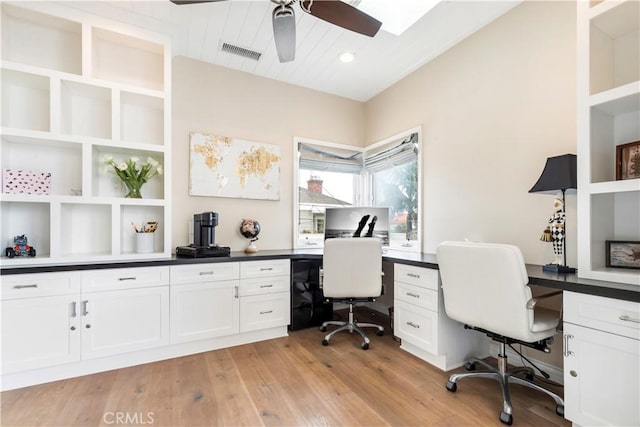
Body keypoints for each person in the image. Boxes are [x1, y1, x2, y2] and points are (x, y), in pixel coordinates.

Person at [541, 197, 565, 265]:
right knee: (554, 245)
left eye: (557, 204)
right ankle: (556, 259)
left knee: (559, 244)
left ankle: (560, 260)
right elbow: (550, 221)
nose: (555, 206)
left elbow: (561, 221)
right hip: (553, 231)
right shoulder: (554, 214)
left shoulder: (562, 214)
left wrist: (555, 221)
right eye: (554, 204)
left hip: (560, 231)